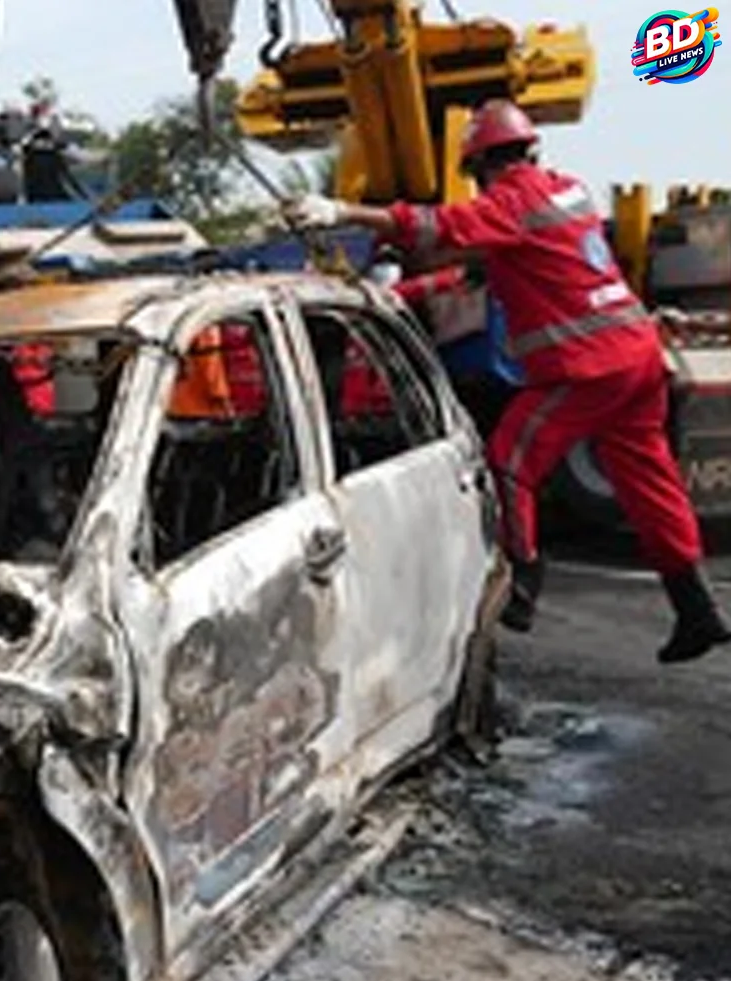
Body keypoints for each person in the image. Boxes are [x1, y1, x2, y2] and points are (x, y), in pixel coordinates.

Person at [285, 98, 731, 664]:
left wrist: (341, 212)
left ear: (483, 165)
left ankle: (523, 583)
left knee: (510, 462)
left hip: (585, 368)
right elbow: (478, 271)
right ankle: (696, 609)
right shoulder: (566, 192)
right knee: (649, 486)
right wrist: (392, 298)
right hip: (637, 358)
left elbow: (434, 226)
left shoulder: (511, 202)